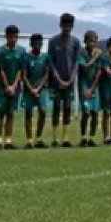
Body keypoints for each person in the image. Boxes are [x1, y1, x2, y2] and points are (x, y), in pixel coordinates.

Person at [47, 14, 81, 148]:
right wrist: (58, 79)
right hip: (56, 82)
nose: (67, 28)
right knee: (56, 107)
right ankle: (55, 138)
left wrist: (70, 79)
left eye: (69, 26)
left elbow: (76, 63)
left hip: (69, 82)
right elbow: (51, 63)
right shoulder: (53, 42)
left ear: (72, 27)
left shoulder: (76, 42)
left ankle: (65, 138)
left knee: (67, 108)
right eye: (65, 25)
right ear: (60, 25)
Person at [0, 25, 27, 150]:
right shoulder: (0, 51)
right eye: (11, 37)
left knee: (11, 113)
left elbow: (20, 70)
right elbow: (1, 70)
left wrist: (14, 86)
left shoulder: (22, 51)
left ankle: (8, 141)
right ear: (6, 37)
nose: (13, 39)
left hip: (15, 87)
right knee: (0, 113)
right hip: (2, 88)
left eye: (16, 37)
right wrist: (7, 86)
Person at [22, 33, 50, 149]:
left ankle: (39, 139)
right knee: (28, 113)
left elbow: (46, 74)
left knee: (43, 111)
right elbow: (23, 75)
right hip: (29, 90)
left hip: (41, 89)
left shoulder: (45, 57)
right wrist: (31, 89)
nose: (38, 45)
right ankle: (29, 140)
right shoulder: (26, 57)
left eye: (40, 43)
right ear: (31, 44)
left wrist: (38, 88)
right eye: (35, 43)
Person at [78, 30, 103, 147]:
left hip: (94, 87)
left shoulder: (98, 53)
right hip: (83, 85)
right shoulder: (82, 52)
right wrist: (93, 58)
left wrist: (92, 89)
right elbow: (85, 68)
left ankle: (91, 139)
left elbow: (99, 72)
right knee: (86, 113)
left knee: (94, 113)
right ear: (85, 41)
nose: (93, 44)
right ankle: (83, 138)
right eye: (90, 41)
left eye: (95, 41)